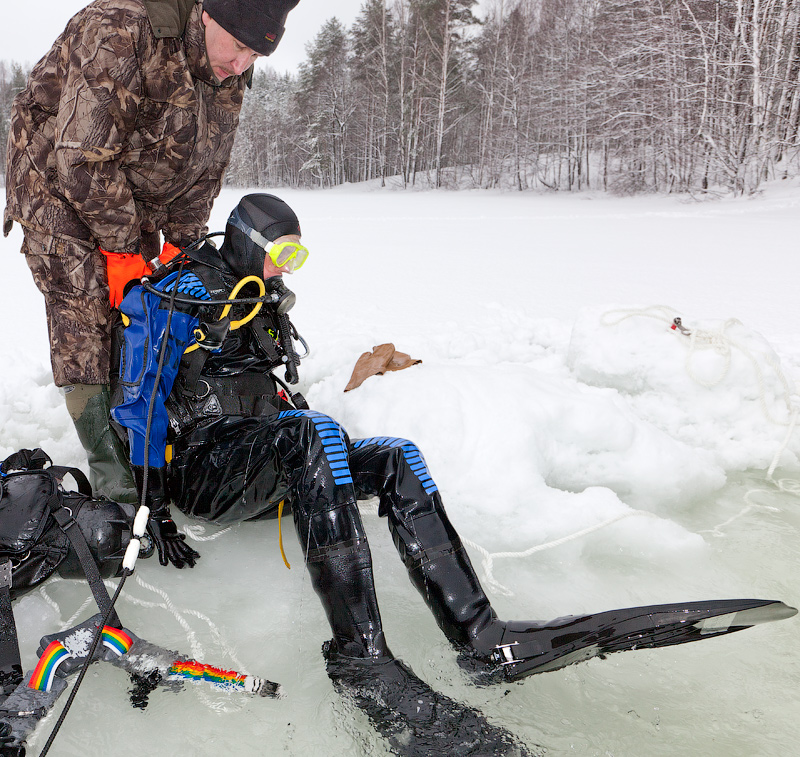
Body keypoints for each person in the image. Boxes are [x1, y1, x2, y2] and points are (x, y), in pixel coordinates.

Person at [108, 194, 796, 753]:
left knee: (395, 453)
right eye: (282, 254)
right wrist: (154, 506)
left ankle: (480, 634)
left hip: (265, 461)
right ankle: (361, 654)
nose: (290, 268)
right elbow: (137, 399)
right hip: (198, 471)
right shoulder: (182, 296)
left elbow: (283, 400)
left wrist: (320, 459)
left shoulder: (266, 306)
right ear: (249, 242)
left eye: (298, 256)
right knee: (315, 433)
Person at [3, 0, 300, 506]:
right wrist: (120, 253)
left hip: (131, 191)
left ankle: (142, 429)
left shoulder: (227, 66)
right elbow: (81, 158)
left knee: (144, 305)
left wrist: (186, 247)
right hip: (53, 177)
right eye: (238, 47)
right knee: (86, 306)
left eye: (255, 55)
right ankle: (115, 475)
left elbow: (205, 167)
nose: (241, 65)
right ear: (208, 13)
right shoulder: (121, 29)